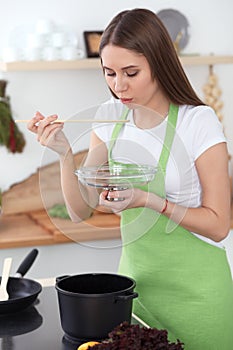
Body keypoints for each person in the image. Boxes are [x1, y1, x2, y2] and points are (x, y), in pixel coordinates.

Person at [27, 8, 233, 349]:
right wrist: (64, 153)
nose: (118, 86)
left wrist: (147, 200)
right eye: (109, 73)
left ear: (160, 63)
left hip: (198, 297)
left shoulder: (197, 122)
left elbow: (219, 225)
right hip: (136, 294)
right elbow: (81, 210)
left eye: (131, 72)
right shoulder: (110, 116)